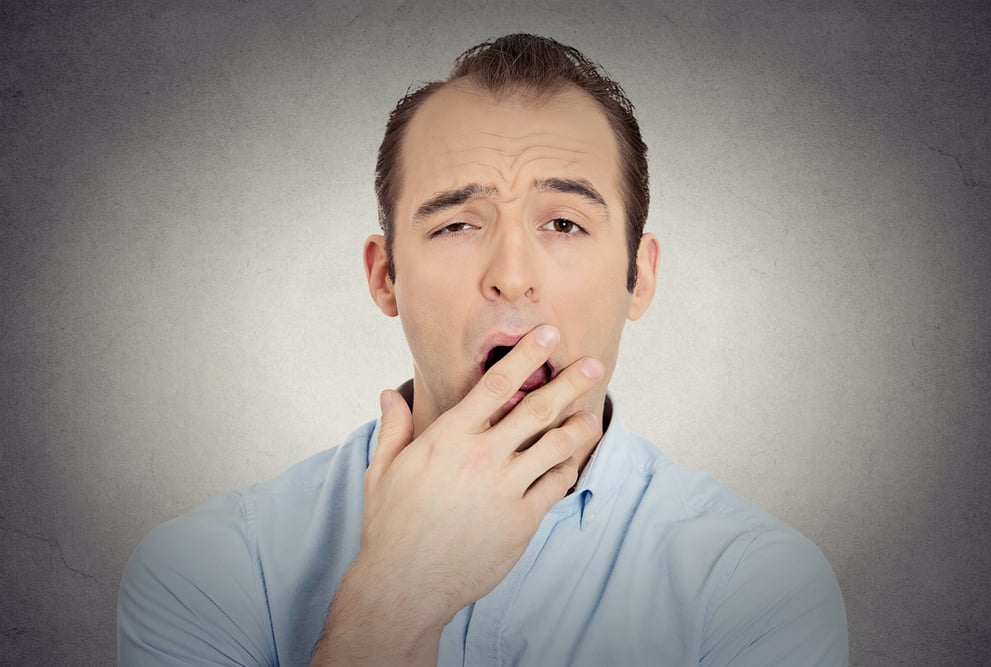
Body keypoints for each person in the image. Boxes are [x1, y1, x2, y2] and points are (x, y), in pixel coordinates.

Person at [118, 34, 848, 666]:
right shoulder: (208, 569)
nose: (511, 275)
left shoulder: (758, 584)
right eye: (456, 224)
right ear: (384, 276)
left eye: (563, 223)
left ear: (640, 277)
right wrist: (394, 597)